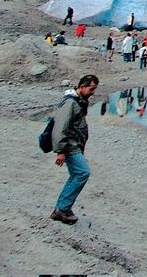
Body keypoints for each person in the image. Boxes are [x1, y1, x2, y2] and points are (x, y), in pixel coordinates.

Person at [50, 74, 99, 225]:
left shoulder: (78, 102)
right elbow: (60, 127)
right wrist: (60, 151)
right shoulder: (70, 103)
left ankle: (63, 208)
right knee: (82, 172)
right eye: (91, 89)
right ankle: (62, 209)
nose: (93, 92)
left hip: (74, 145)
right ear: (82, 86)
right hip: (69, 146)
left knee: (77, 174)